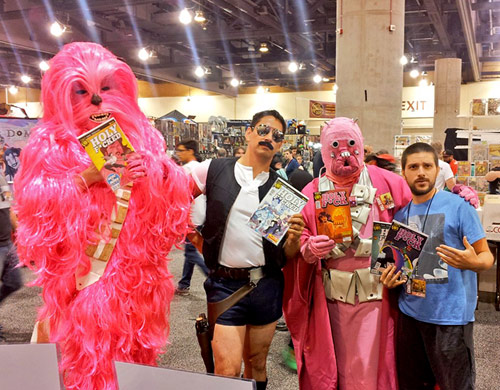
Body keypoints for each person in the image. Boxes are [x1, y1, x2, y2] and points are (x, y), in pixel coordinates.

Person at [13, 42, 191, 390]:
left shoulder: (144, 140)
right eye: (82, 91)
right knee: (88, 361)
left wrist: (153, 172)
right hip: (85, 279)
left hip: (137, 282)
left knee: (133, 363)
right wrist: (85, 179)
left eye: (104, 88)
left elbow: (174, 197)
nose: (96, 100)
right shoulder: (49, 145)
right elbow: (33, 206)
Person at [283, 117, 412, 390]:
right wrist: (308, 248)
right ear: (324, 151)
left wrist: (454, 195)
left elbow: (416, 217)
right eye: (336, 145)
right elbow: (298, 234)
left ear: (361, 145)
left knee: (374, 368)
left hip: (379, 297)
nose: (344, 153)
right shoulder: (312, 190)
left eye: (350, 144)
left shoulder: (389, 182)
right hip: (331, 302)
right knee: (336, 367)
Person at [189, 109, 304, 390]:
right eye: (263, 129)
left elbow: (284, 256)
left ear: (281, 144)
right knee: (227, 369)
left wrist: (293, 240)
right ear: (249, 132)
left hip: (266, 285)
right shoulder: (213, 169)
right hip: (225, 286)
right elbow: (171, 189)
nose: (269, 137)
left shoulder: (282, 189)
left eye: (277, 135)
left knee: (256, 364)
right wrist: (192, 235)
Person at [381, 142, 493, 390]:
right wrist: (389, 281)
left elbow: (486, 256)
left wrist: (473, 262)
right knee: (413, 384)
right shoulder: (400, 216)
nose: (421, 172)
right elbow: (397, 267)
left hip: (450, 318)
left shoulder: (459, 207)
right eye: (413, 166)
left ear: (437, 170)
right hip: (410, 315)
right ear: (404, 172)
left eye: (427, 166)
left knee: (456, 385)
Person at [175, 140, 210, 296]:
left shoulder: (185, 170)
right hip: (201, 215)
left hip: (191, 217)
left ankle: (213, 275)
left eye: (181, 150)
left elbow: (178, 195)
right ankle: (184, 283)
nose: (179, 154)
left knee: (191, 252)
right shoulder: (201, 168)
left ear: (190, 151)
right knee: (190, 251)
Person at [0, 172, 23, 340]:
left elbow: (8, 209)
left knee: (15, 282)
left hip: (7, 243)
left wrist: (21, 233)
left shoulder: (0, 177)